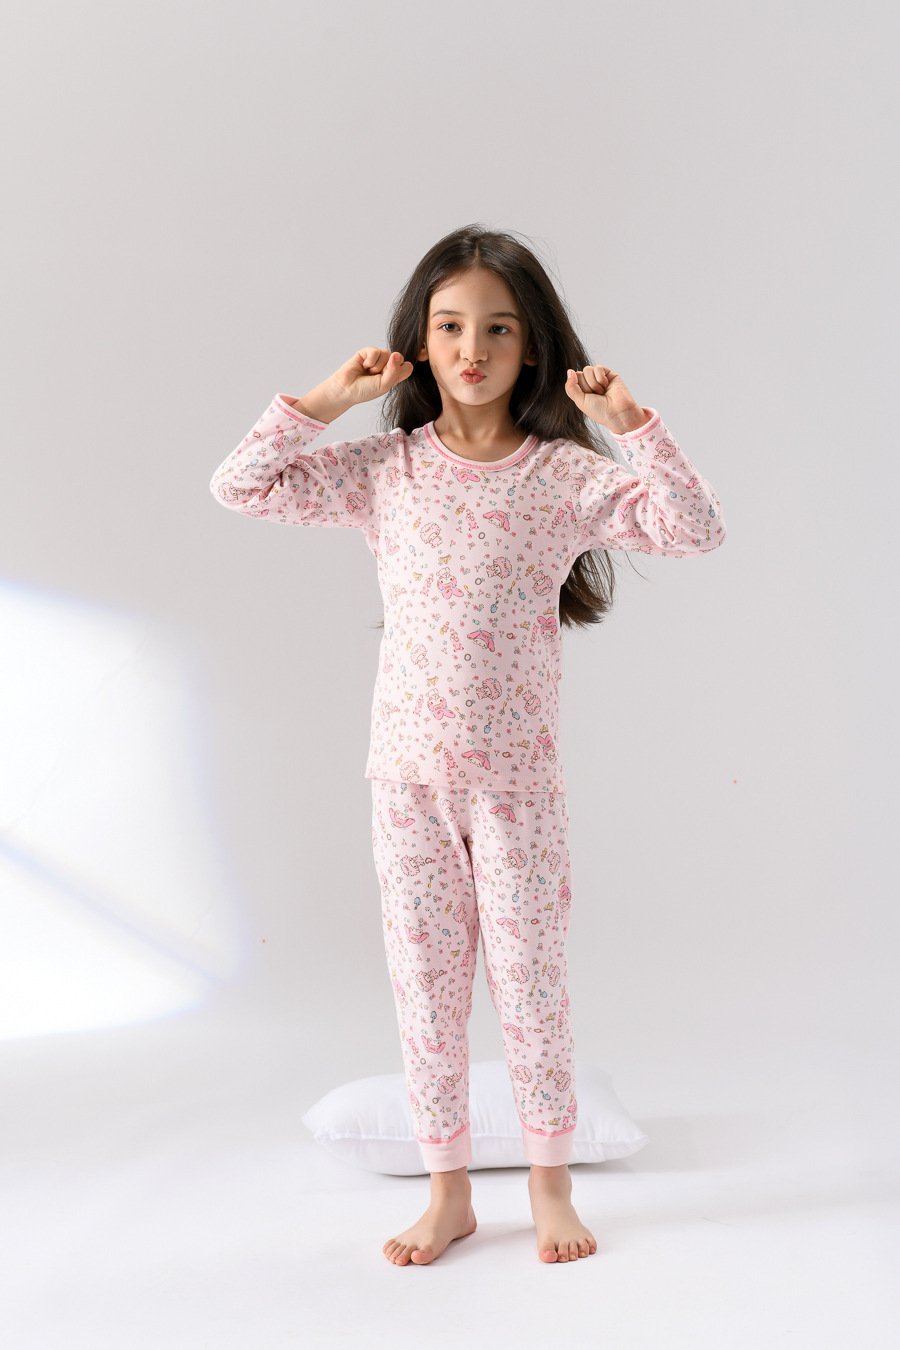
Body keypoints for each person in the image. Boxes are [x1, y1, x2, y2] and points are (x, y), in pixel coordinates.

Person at [209, 224, 726, 1267]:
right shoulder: (387, 469)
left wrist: (635, 427)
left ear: (531, 348)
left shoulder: (562, 477)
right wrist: (328, 397)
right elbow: (241, 485)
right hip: (405, 782)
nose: (473, 349)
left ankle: (549, 1184)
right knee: (426, 991)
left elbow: (694, 527)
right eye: (449, 327)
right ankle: (448, 1193)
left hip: (516, 789)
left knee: (532, 987)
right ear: (420, 341)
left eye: (498, 329)